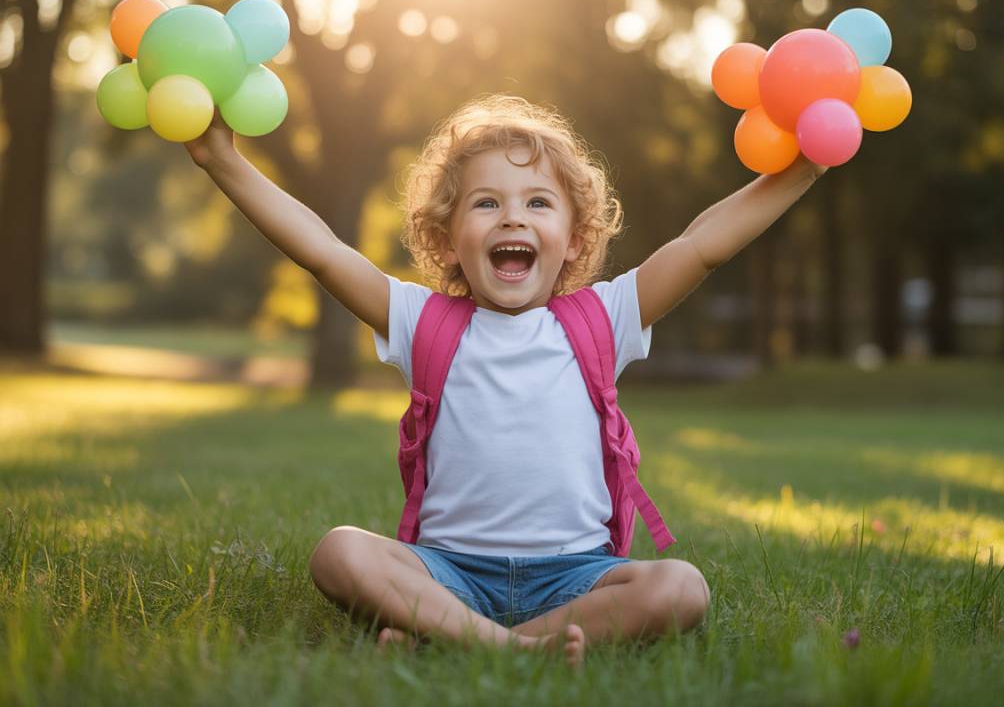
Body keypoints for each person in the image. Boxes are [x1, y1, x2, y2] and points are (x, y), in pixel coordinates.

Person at [185, 94, 826, 667]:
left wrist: (797, 172)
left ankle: (449, 637)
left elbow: (701, 246)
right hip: (447, 571)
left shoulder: (604, 319)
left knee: (681, 587)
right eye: (486, 203)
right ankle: (516, 647)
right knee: (339, 552)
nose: (512, 218)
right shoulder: (421, 321)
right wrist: (223, 162)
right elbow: (322, 252)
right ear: (446, 241)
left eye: (537, 203)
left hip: (576, 577)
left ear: (574, 241)